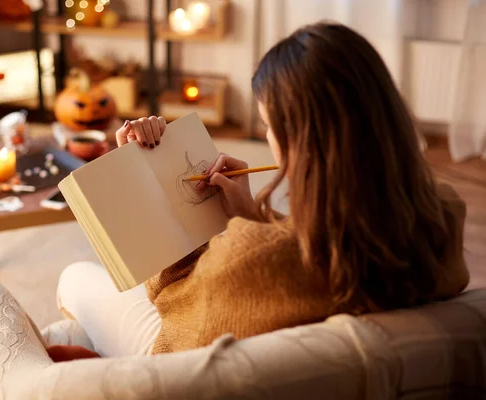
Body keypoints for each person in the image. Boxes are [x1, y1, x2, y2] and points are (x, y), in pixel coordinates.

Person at [56, 22, 469, 357]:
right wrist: (247, 218)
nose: (268, 137)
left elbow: (173, 308)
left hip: (170, 362)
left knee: (73, 278)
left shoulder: (250, 266)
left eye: (270, 126)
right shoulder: (438, 219)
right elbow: (312, 244)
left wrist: (146, 182)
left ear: (299, 142)